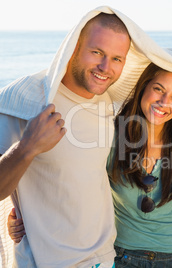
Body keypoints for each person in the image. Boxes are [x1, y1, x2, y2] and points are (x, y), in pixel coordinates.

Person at [0, 13, 131, 267]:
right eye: (96, 52)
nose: (106, 67)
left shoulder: (108, 102)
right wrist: (27, 148)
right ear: (73, 48)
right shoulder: (23, 100)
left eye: (117, 58)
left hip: (101, 259)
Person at [108, 62, 172, 267]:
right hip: (122, 254)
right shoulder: (112, 136)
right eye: (158, 89)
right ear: (143, 87)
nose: (164, 102)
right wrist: (23, 217)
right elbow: (74, 183)